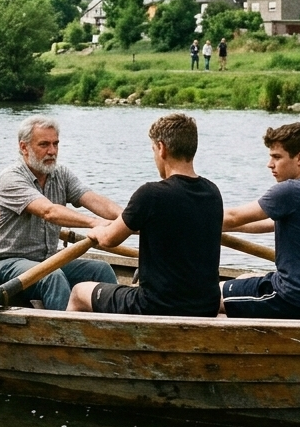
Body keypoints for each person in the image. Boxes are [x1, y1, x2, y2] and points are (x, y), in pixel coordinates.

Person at [68, 114, 223, 317]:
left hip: (155, 305)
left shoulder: (151, 194)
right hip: (206, 305)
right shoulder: (213, 192)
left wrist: (96, 231)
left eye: (153, 150)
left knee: (79, 292)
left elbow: (109, 240)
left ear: (161, 148)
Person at [0, 116, 123, 310]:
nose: (52, 151)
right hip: (1, 263)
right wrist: (94, 223)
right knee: (51, 276)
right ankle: (65, 335)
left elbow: (91, 198)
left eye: (56, 144)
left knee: (100, 270)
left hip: (44, 261)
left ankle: (119, 327)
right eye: (44, 145)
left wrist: (128, 218)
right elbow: (49, 211)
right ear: (24, 147)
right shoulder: (10, 178)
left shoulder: (61, 174)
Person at [219, 122, 300, 319]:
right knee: (245, 278)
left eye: (277, 157)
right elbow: (267, 223)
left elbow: (233, 216)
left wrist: (186, 222)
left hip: (292, 300)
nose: (269, 164)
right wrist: (221, 228)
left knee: (207, 295)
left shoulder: (291, 191)